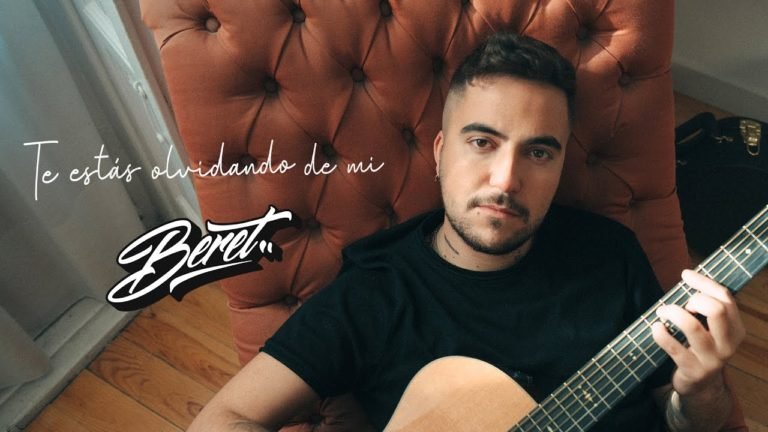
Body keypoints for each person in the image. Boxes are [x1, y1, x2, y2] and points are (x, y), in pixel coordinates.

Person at [187, 32, 745, 432]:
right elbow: (224, 418)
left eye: (538, 152)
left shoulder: (610, 252)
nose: (505, 180)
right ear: (439, 152)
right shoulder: (373, 295)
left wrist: (703, 390)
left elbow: (685, 418)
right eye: (482, 142)